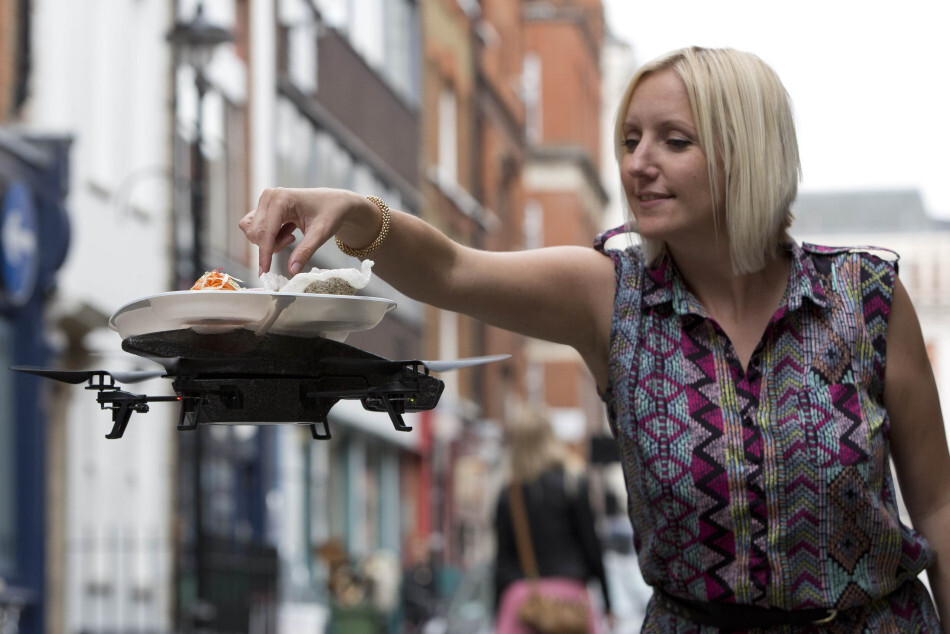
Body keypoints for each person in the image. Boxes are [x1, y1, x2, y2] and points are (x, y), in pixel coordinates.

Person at [240, 46, 950, 632]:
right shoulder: (611, 295)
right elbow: (453, 269)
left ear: (748, 152)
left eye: (675, 141)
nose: (639, 162)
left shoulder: (864, 298)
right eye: (630, 140)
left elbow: (940, 509)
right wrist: (355, 214)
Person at [492, 408, 612, 632]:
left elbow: (502, 561)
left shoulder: (510, 493)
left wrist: (497, 610)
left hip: (522, 601)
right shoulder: (573, 484)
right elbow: (592, 547)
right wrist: (608, 602)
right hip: (570, 599)